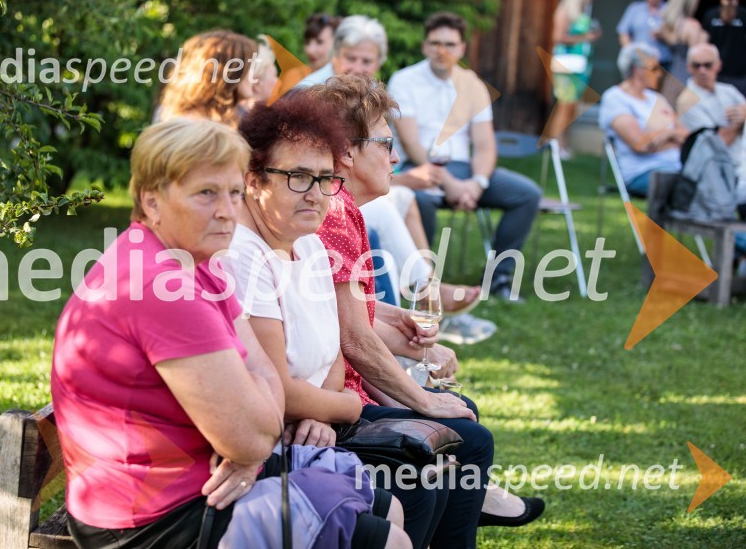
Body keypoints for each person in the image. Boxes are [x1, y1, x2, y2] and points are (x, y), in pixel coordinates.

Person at [51, 118, 409, 548]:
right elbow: (255, 430)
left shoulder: (202, 261)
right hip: (154, 516)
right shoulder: (162, 287)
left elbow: (266, 399)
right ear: (151, 200)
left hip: (207, 478)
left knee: (387, 506)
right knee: (389, 539)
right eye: (206, 193)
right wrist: (251, 437)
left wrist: (253, 430)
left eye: (234, 192)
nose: (226, 210)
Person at [308, 75, 545, 548]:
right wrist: (423, 399)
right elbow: (350, 337)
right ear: (348, 154)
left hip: (340, 395)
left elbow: (349, 314)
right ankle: (465, 516)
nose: (396, 158)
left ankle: (466, 510)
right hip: (326, 409)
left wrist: (396, 321)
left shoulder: (344, 208)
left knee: (461, 424)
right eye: (387, 144)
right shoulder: (335, 211)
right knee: (465, 436)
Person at [219, 89, 444, 549]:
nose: (318, 195)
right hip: (264, 452)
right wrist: (344, 406)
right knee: (418, 482)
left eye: (326, 179)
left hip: (309, 429)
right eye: (299, 177)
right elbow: (277, 389)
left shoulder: (309, 245)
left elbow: (334, 355)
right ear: (253, 179)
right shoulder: (243, 258)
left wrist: (324, 405)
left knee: (427, 476)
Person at [297, 14, 493, 343]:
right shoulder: (313, 94)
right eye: (351, 58)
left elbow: (378, 156)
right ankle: (425, 297)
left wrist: (406, 180)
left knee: (406, 199)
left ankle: (424, 293)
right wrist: (407, 178)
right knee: (390, 207)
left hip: (351, 185)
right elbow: (324, 168)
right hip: (321, 195)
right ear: (335, 56)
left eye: (367, 60)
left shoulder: (369, 95)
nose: (358, 66)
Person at [389, 12, 542, 302]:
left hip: (465, 170)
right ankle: (421, 282)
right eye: (435, 43)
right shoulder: (405, 80)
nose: (441, 50)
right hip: (419, 166)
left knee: (527, 194)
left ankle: (499, 278)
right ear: (424, 46)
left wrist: (478, 183)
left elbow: (485, 145)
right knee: (417, 199)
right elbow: (410, 143)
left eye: (449, 43)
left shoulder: (472, 85)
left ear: (461, 49)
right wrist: (450, 184)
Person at [598, 42, 687, 196]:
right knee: (696, 187)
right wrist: (673, 140)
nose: (660, 74)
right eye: (654, 68)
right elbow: (641, 144)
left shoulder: (656, 98)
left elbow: (686, 135)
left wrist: (667, 135)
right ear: (637, 70)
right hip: (642, 172)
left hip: (677, 168)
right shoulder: (615, 98)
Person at [677, 43, 746, 212]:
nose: (702, 70)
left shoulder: (728, 91)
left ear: (718, 65)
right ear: (688, 67)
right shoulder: (688, 101)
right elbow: (715, 145)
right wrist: (739, 122)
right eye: (696, 65)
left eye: (707, 65)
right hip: (720, 173)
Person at [158, 30, 259, 128]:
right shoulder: (192, 129)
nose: (254, 76)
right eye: (250, 67)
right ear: (229, 73)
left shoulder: (227, 121)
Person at [549, 0, 602, 159]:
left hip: (580, 66)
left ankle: (563, 143)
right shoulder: (565, 11)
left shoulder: (581, 12)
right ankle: (554, 143)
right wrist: (587, 37)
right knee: (565, 105)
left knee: (571, 107)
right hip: (566, 66)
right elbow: (558, 37)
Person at [657, 0, 708, 105]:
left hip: (671, 76)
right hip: (688, 78)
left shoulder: (667, 24)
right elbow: (697, 56)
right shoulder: (692, 25)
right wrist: (704, 38)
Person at [702, 0, 746, 96]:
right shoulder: (711, 15)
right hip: (716, 73)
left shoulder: (743, 14)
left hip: (739, 74)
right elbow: (705, 42)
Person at [617, 0, 671, 70]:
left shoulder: (670, 9)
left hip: (663, 64)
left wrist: (664, 35)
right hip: (639, 64)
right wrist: (631, 53)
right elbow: (624, 33)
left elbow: (678, 37)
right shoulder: (635, 8)